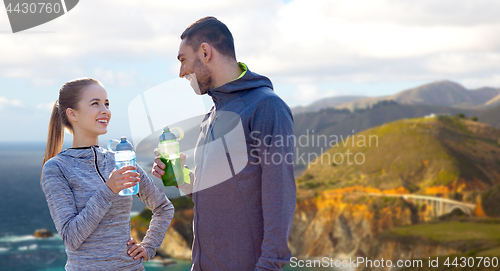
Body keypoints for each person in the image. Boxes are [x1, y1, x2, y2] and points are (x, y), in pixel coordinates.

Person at [152, 17, 296, 270]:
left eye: (183, 60)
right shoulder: (211, 116)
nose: (181, 72)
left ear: (205, 52)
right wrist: (181, 178)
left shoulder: (267, 107)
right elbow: (215, 194)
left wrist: (269, 265)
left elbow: (280, 195)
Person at [41, 78, 174, 270]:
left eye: (107, 103)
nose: (105, 110)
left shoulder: (121, 160)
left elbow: (163, 207)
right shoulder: (57, 168)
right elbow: (71, 238)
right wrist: (109, 190)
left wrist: (148, 246)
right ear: (72, 114)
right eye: (95, 103)